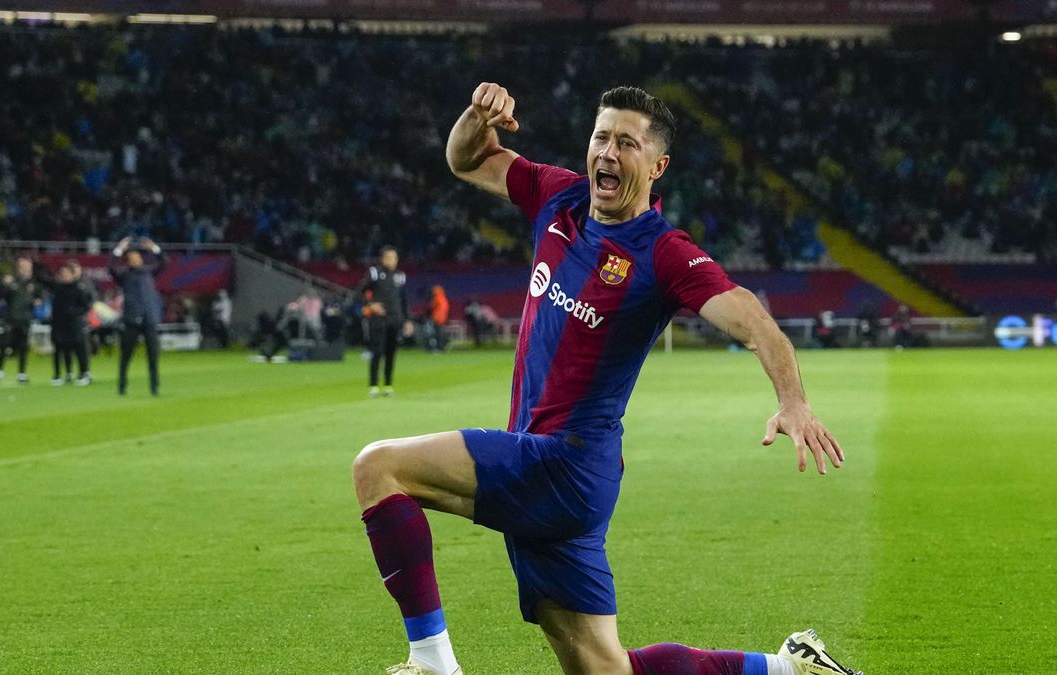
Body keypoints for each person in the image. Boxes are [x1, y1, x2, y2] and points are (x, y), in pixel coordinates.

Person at [352, 83, 858, 675]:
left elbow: (753, 322)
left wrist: (792, 400)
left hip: (563, 464)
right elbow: (467, 158)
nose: (608, 153)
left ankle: (432, 662)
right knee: (608, 669)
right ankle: (788, 666)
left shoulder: (665, 253)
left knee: (378, 467)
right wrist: (474, 116)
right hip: (568, 475)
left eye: (626, 143)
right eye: (601, 137)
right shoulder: (558, 196)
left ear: (657, 165)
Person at [109, 236, 166, 395]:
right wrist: (118, 250)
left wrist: (154, 248)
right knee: (126, 355)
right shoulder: (124, 275)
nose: (136, 260)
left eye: (138, 257)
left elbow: (164, 263)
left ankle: (154, 386)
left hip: (149, 318)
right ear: (128, 260)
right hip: (131, 319)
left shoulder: (148, 272)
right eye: (133, 258)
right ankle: (122, 385)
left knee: (153, 356)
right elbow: (111, 268)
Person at [360, 246, 412, 397]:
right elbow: (359, 292)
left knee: (391, 353)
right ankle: (373, 385)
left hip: (395, 319)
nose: (393, 260)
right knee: (377, 352)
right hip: (379, 320)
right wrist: (371, 305)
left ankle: (388, 384)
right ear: (383, 259)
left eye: (395, 258)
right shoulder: (375, 273)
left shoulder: (400, 276)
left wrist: (407, 320)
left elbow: (404, 300)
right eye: (389, 257)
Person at [42, 261, 93, 385]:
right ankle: (58, 374)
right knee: (59, 348)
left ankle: (84, 373)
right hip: (59, 323)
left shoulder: (79, 289)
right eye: (62, 273)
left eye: (66, 273)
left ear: (73, 274)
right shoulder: (58, 288)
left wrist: (75, 313)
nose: (63, 276)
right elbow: (43, 280)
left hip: (74, 324)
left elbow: (87, 305)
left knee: (79, 348)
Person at [0, 257, 40, 384]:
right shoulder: (11, 282)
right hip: (11, 319)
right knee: (4, 345)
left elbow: (39, 298)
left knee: (23, 347)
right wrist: (4, 285)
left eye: (27, 267)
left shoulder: (34, 284)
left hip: (25, 320)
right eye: (22, 267)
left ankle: (22, 374)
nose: (25, 270)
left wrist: (38, 302)